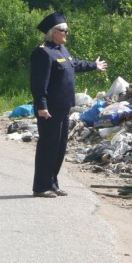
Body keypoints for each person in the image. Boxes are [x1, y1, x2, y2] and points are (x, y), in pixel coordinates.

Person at [30, 12, 107, 198]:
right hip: (50, 109)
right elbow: (38, 83)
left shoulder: (61, 50)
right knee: (48, 147)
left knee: (59, 148)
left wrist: (92, 66)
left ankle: (52, 183)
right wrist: (41, 106)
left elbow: (75, 65)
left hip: (64, 108)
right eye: (64, 30)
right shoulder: (43, 52)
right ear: (53, 32)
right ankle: (41, 186)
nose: (67, 34)